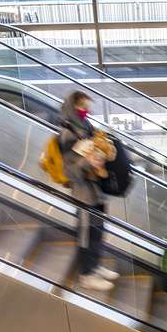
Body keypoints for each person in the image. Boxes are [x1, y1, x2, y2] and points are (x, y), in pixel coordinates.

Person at [59, 91, 119, 291]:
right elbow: (70, 170)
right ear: (74, 107)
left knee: (98, 230)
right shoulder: (68, 133)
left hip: (96, 190)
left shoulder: (86, 126)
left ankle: (95, 265)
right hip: (83, 194)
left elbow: (98, 146)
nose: (88, 110)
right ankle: (87, 273)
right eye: (84, 106)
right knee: (87, 233)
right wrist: (88, 161)